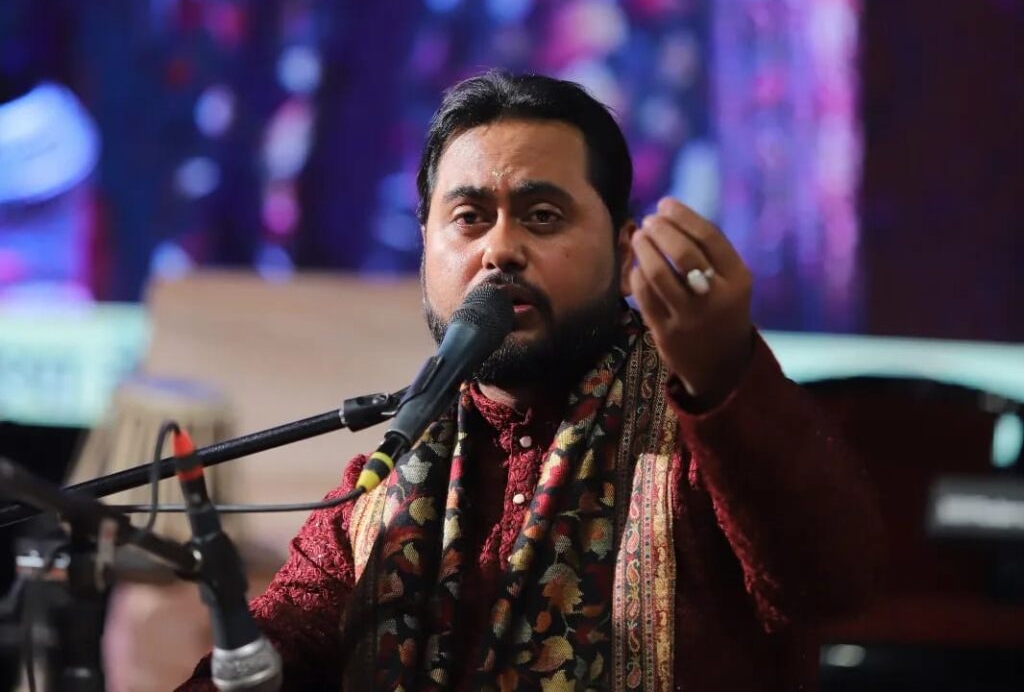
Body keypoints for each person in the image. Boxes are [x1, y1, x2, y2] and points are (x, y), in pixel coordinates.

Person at [178, 70, 882, 692]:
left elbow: (837, 585)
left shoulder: (705, 447)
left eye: (543, 217)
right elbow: (274, 655)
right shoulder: (373, 500)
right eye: (469, 218)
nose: (501, 249)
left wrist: (725, 372)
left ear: (624, 250)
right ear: (425, 246)